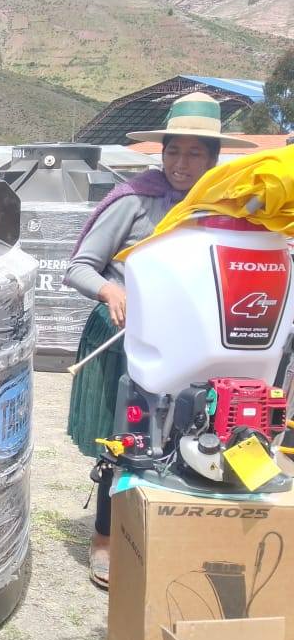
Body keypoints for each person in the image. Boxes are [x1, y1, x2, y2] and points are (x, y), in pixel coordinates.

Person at [64, 92, 254, 590]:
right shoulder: (134, 200)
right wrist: (111, 288)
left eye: (194, 153)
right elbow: (80, 266)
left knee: (189, 437)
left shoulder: (228, 209)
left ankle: (169, 534)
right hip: (127, 340)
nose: (181, 163)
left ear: (214, 159)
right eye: (174, 151)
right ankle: (106, 538)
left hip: (196, 346)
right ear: (161, 152)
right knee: (125, 440)